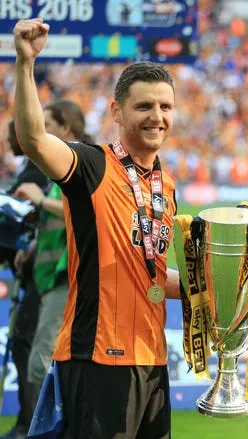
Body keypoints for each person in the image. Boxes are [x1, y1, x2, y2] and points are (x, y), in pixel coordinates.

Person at [13, 18, 182, 438]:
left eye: (165, 107)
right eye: (144, 106)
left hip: (153, 361)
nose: (157, 116)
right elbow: (34, 139)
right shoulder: (92, 165)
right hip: (98, 359)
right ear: (116, 111)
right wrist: (24, 64)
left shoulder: (165, 184)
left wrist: (217, 284)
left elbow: (150, 275)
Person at [13, 100, 90, 412]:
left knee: (41, 360)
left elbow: (84, 211)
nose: (40, 131)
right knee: (51, 359)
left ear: (66, 128)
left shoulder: (83, 164)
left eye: (47, 125)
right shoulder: (64, 166)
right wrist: (32, 249)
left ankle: (52, 426)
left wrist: (41, 200)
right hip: (53, 277)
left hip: (67, 277)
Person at [0, 120, 48, 439]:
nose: (6, 139)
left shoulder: (35, 174)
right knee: (25, 345)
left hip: (39, 276)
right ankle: (29, 419)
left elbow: (29, 223)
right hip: (35, 274)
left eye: (10, 134)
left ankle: (29, 422)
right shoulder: (34, 170)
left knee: (27, 346)